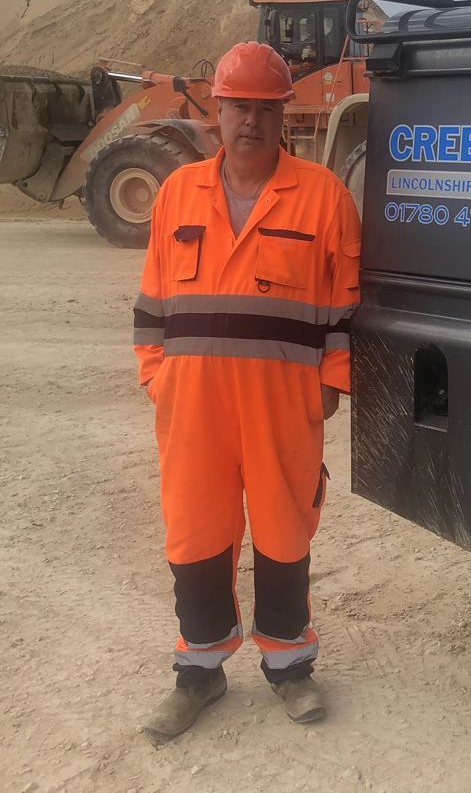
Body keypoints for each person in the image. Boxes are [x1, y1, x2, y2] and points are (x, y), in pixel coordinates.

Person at [134, 41, 361, 741]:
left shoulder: (324, 196)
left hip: (280, 407)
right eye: (240, 108)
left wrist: (331, 386)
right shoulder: (177, 192)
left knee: (284, 535)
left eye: (267, 110)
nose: (252, 123)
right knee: (196, 536)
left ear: (284, 117)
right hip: (193, 407)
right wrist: (157, 374)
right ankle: (197, 673)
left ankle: (291, 668)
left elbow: (346, 303)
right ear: (218, 113)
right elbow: (152, 300)